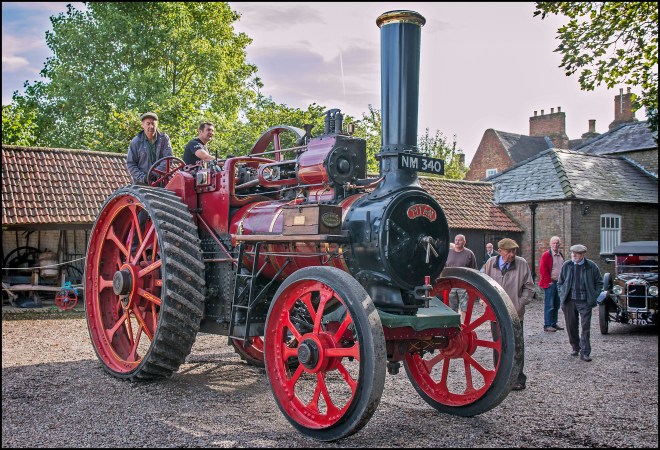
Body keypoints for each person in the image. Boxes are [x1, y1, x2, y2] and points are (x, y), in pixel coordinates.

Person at [483, 238, 535, 391]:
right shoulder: (490, 263)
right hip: (495, 313)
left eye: (514, 251)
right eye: (509, 251)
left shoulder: (521, 264)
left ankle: (518, 379)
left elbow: (529, 287)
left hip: (515, 313)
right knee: (498, 344)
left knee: (516, 345)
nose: (512, 254)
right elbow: (482, 284)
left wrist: (520, 303)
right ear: (500, 251)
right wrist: (485, 302)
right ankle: (500, 379)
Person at [557, 244, 603, 362]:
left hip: (585, 301)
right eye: (572, 253)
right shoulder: (567, 265)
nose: (574, 255)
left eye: (576, 254)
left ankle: (585, 352)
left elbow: (599, 283)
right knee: (571, 326)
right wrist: (562, 294)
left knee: (585, 327)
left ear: (583, 254)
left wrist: (594, 296)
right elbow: (560, 282)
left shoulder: (591, 266)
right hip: (569, 301)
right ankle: (575, 347)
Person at [126, 112, 173, 185]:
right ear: (143, 125)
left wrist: (155, 173)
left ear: (157, 124)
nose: (151, 126)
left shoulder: (164, 139)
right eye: (148, 124)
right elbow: (131, 164)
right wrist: (143, 178)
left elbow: (168, 159)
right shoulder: (136, 141)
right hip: (141, 184)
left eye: (153, 123)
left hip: (161, 183)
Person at [445, 234, 478, 320]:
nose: (457, 242)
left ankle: (464, 325)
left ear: (464, 242)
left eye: (459, 240)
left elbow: (474, 269)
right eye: (456, 240)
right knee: (451, 308)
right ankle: (454, 325)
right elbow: (444, 267)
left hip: (463, 285)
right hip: (450, 285)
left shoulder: (469, 253)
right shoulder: (448, 253)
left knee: (464, 308)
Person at [538, 236, 565, 332]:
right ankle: (547, 325)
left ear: (559, 244)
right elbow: (543, 270)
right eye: (553, 243)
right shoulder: (546, 255)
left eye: (557, 243)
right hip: (550, 283)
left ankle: (554, 323)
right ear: (550, 244)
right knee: (549, 305)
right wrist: (548, 281)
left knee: (556, 304)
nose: (555, 245)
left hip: (559, 283)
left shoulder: (561, 255)